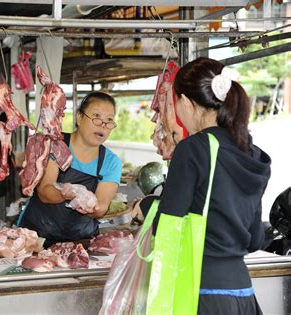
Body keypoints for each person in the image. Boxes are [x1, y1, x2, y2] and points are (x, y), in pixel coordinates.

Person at [135, 57, 271, 314]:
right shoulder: (252, 153)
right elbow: (254, 240)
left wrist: (146, 205)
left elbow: (168, 225)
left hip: (202, 293)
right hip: (243, 294)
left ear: (186, 102)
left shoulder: (194, 149)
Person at [19, 91, 122, 246]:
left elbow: (102, 207)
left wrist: (90, 204)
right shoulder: (57, 145)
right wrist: (66, 194)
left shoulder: (111, 161)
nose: (103, 126)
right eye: (96, 117)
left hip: (80, 243)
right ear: (79, 118)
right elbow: (44, 192)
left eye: (109, 121)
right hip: (37, 238)